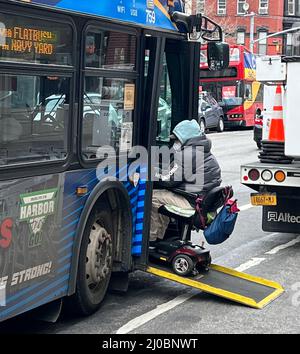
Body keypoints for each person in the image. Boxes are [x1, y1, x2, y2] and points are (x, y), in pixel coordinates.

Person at [150, 119, 221, 246]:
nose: (175, 142)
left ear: (185, 138)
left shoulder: (187, 153)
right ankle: (159, 237)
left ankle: (151, 238)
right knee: (162, 196)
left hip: (192, 202)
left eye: (176, 139)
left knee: (152, 197)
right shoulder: (203, 151)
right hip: (202, 201)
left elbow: (169, 180)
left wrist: (150, 172)